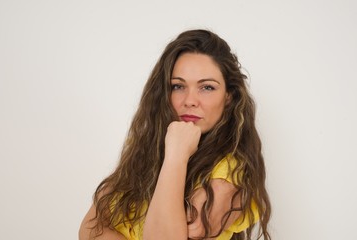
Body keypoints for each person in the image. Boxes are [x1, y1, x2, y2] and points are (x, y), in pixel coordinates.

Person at [79, 29, 271, 240]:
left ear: (228, 96)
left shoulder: (231, 169)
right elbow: (90, 229)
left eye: (206, 87)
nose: (190, 100)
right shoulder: (146, 153)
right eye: (178, 86)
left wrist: (177, 153)